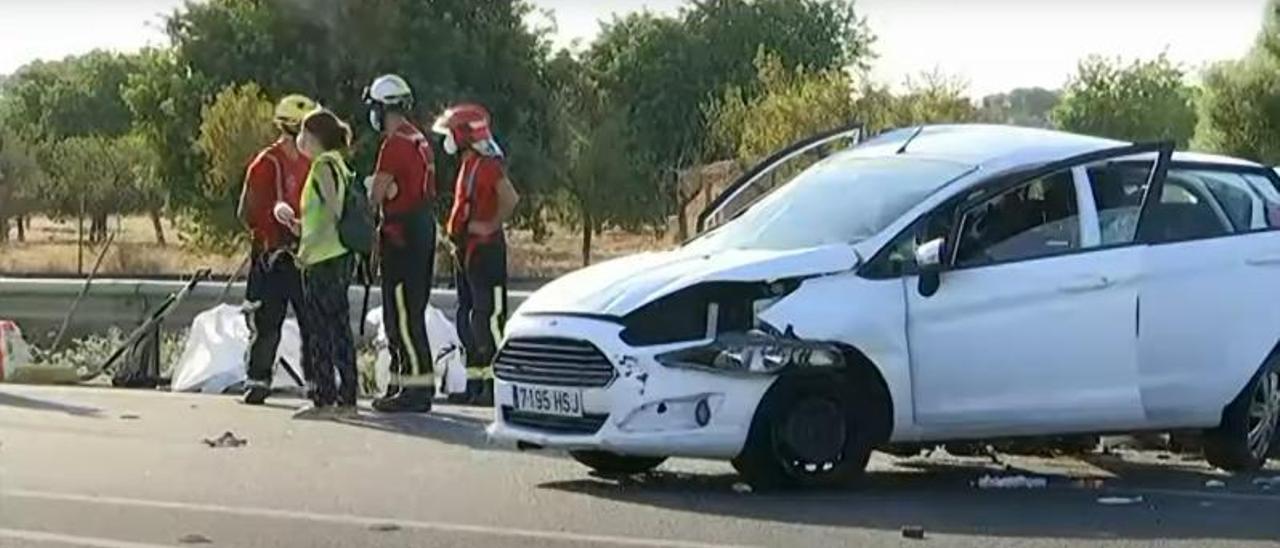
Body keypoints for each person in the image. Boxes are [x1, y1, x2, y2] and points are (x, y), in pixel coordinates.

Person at [364, 74, 439, 413]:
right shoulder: (419, 139)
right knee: (412, 311)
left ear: (383, 108)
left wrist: (372, 188)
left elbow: (376, 193)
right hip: (421, 228)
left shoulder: (394, 144)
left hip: (402, 235)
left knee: (401, 315)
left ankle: (415, 388)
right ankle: (402, 382)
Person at [434, 103, 519, 400]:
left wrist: (490, 225)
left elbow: (509, 198)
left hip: (486, 253)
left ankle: (497, 387)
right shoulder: (469, 164)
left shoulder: (489, 165)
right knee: (468, 319)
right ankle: (475, 384)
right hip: (466, 252)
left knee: (488, 319)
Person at [236, 94, 316, 405]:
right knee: (267, 321)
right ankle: (258, 380)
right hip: (272, 257)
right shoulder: (266, 164)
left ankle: (315, 382)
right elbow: (247, 211)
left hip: (303, 255)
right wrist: (271, 231)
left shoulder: (313, 163)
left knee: (311, 322)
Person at [291, 108, 359, 419]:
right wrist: (298, 227)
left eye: (303, 132)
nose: (299, 139)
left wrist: (309, 246)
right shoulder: (339, 164)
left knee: (320, 330)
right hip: (338, 254)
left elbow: (333, 211)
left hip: (323, 258)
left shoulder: (322, 166)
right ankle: (346, 396)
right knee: (339, 327)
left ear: (315, 137)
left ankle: (325, 397)